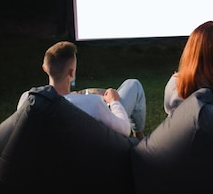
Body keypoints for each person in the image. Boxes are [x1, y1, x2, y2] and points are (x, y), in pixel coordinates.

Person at [17, 41, 146, 138]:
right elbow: (124, 129)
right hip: (99, 150)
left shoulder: (27, 98)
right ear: (72, 73)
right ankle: (139, 137)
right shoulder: (93, 103)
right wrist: (114, 102)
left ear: (44, 68)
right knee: (133, 85)